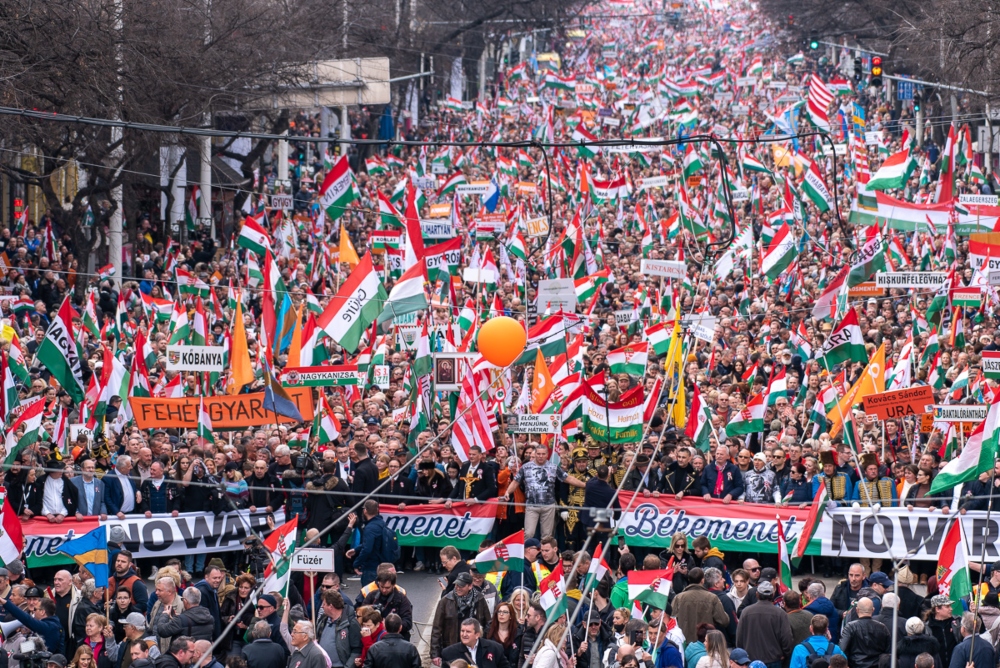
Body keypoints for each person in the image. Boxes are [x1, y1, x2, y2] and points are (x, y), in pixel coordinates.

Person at [502, 445, 586, 540]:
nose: (541, 456)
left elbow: (568, 478)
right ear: (535, 454)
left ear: (547, 455)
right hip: (532, 505)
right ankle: (527, 549)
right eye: (538, 454)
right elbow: (515, 482)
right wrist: (508, 492)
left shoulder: (553, 467)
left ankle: (545, 550)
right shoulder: (526, 467)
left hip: (548, 506)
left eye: (543, 454)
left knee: (547, 536)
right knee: (528, 534)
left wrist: (584, 485)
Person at [430, 573, 491, 666]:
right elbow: (436, 628)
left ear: (470, 586)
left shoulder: (479, 599)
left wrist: (486, 645)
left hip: (474, 647)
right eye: (456, 585)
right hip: (451, 647)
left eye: (461, 586)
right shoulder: (445, 601)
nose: (457, 588)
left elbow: (488, 624)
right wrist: (435, 653)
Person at [734, 581, 793, 668]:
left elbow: (739, 638)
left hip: (751, 659)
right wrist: (785, 654)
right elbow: (786, 638)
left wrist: (742, 656)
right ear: (772, 595)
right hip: (774, 659)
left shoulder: (746, 612)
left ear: (757, 594)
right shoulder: (780, 613)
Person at [672, 567, 730, 643]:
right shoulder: (712, 598)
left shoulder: (678, 598)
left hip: (684, 642)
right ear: (703, 580)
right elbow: (724, 620)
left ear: (689, 579)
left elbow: (671, 620)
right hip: (705, 642)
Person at [359, 571, 412, 641]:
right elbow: (361, 615)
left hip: (396, 637)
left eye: (387, 588)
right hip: (373, 637)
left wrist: (391, 625)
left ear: (393, 585)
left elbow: (408, 622)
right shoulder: (372, 596)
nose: (384, 590)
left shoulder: (401, 599)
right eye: (381, 587)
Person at [838, 597, 889, 668]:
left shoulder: (850, 627)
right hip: (876, 665)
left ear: (857, 610)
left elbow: (842, 649)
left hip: (855, 665)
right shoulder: (882, 628)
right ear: (873, 610)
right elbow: (888, 651)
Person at [316, 590, 361, 668]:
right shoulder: (323, 620)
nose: (322, 607)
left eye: (324, 604)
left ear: (331, 607)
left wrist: (347, 667)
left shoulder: (351, 623)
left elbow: (357, 650)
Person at [349, 500, 389, 587]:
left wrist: (356, 563)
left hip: (371, 567)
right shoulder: (382, 523)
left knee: (369, 593)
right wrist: (356, 549)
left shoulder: (370, 528)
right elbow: (373, 543)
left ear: (365, 511)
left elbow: (367, 549)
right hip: (381, 564)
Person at [441, 618, 508, 668]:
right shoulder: (448, 653)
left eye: (468, 631)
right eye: (462, 631)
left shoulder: (494, 648)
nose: (464, 634)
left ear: (477, 635)